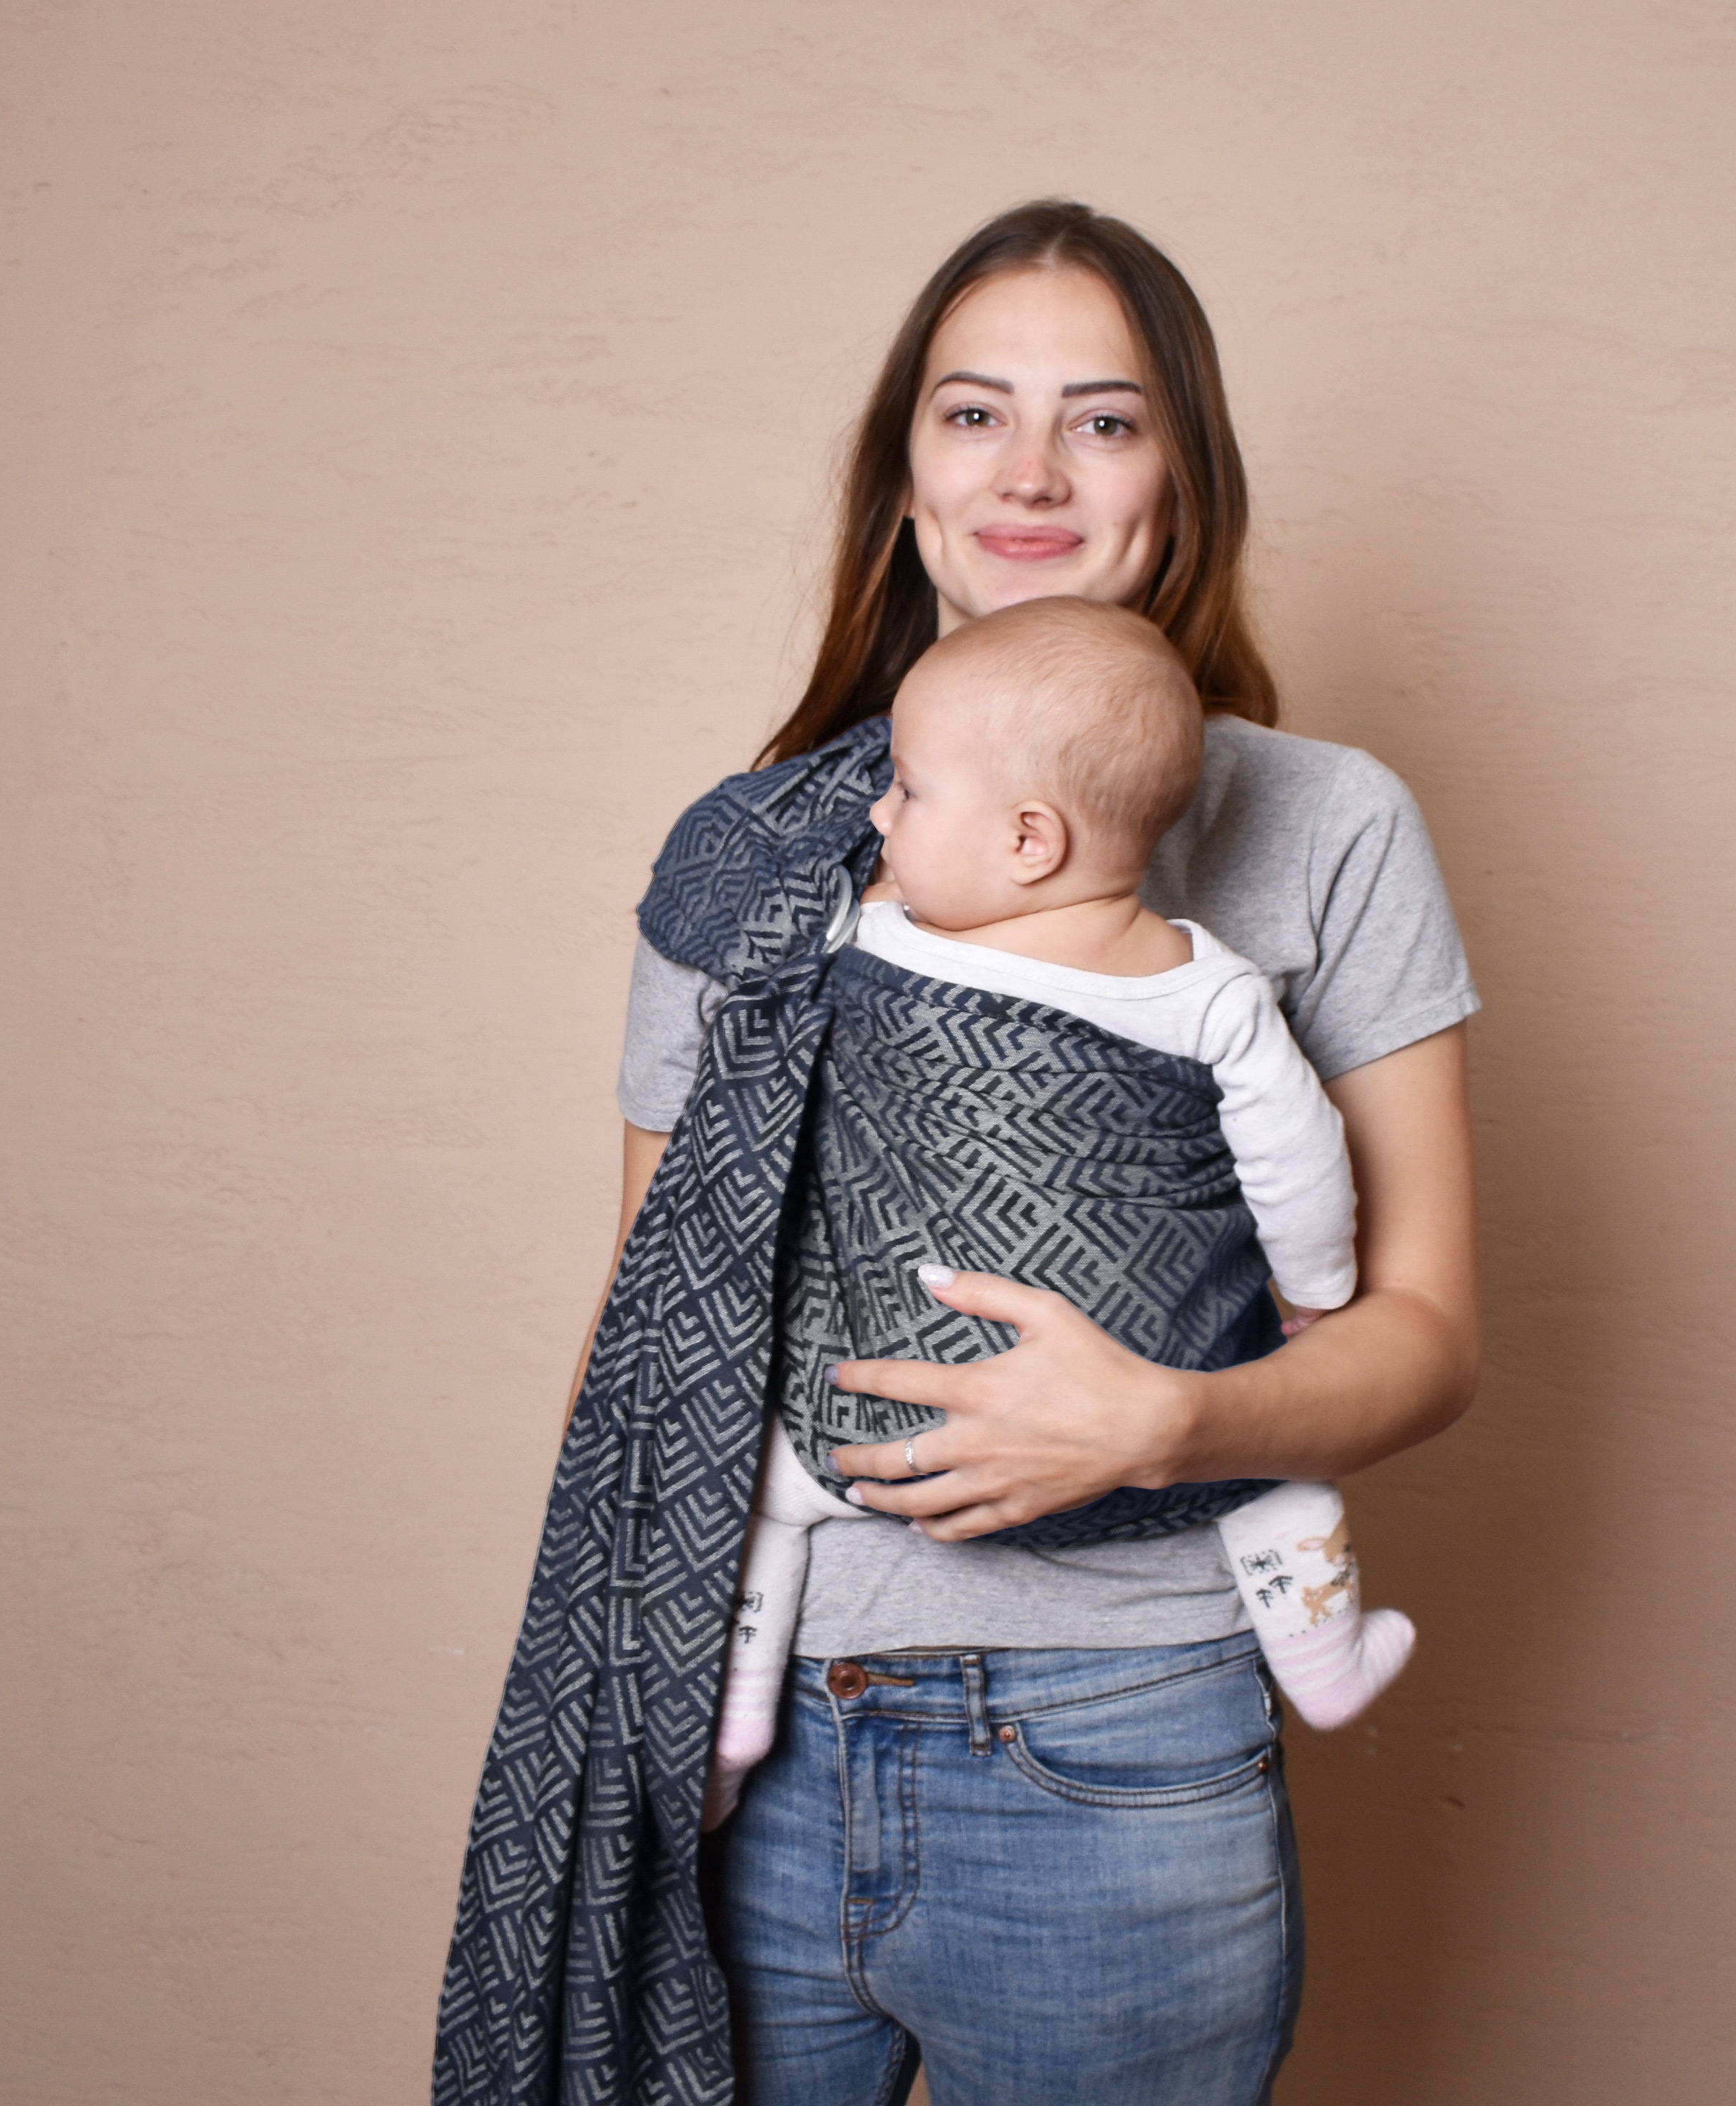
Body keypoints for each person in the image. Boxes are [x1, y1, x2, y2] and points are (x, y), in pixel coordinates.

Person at [601, 201, 1480, 2105]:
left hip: (1119, 1755)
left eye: (1103, 419)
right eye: (971, 412)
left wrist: (1168, 1426)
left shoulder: (1324, 826)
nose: (1027, 469)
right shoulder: (743, 857)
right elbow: (648, 1334)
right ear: (902, 479)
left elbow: (1425, 1329)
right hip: (748, 1749)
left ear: (1181, 479)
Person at [702, 596, 1419, 1831]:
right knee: (1276, 1478)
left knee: (760, 1486)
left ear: (1029, 837)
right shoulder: (1211, 992)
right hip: (1130, 1418)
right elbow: (1303, 1166)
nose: (880, 813)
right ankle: (1326, 1657)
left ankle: (733, 1709)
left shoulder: (873, 937)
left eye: (909, 793)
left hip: (875, 1419)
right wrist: (1316, 1294)